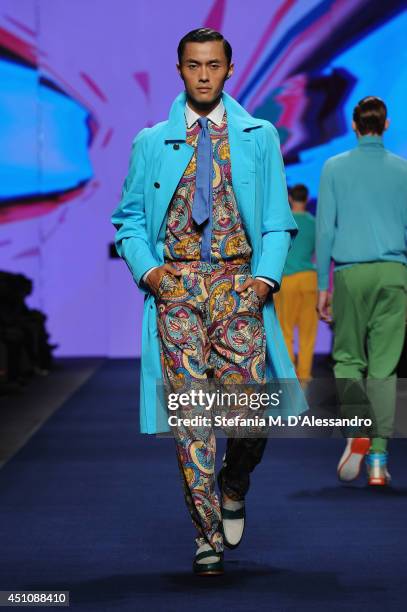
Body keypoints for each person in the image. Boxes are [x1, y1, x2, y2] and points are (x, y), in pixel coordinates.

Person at [112, 28, 302, 575]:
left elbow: (275, 219)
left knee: (250, 413)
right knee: (193, 415)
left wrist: (264, 280)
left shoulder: (258, 135)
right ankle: (206, 536)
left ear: (228, 69)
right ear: (180, 69)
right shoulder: (152, 141)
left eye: (213, 65)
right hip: (177, 291)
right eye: (193, 65)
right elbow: (127, 218)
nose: (202, 74)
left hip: (239, 286)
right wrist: (150, 272)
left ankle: (234, 480)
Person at [316, 96, 407, 486]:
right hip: (394, 273)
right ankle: (378, 464)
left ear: (354, 126)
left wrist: (324, 285)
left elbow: (324, 230)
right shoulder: (403, 170)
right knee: (384, 371)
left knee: (349, 359)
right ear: (386, 125)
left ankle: (358, 431)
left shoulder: (334, 168)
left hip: (351, 274)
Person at [274, 184, 318, 383]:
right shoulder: (315, 223)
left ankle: (289, 376)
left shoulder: (284, 222)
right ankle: (305, 375)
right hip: (310, 279)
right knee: (308, 332)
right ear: (307, 199)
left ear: (290, 198)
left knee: (286, 330)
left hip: (288, 280)